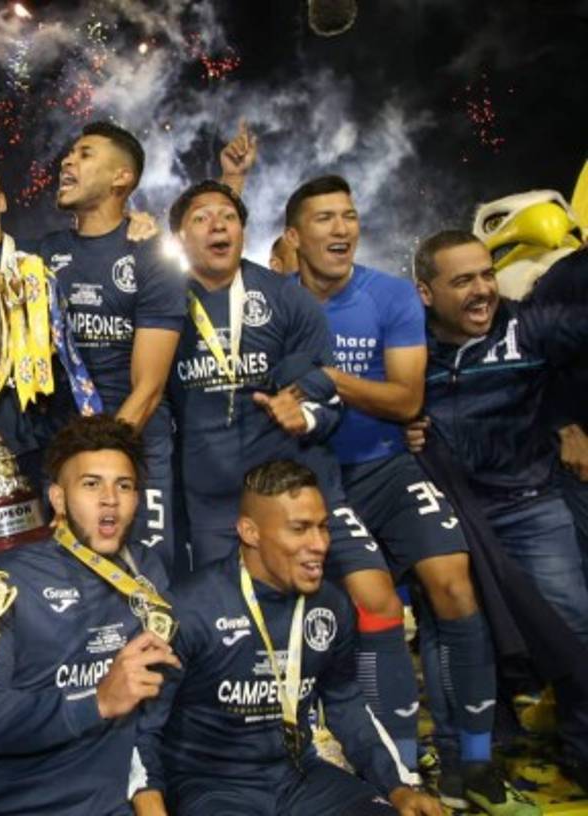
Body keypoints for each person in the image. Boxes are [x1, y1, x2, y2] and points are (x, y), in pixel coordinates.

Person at [285, 175, 528, 811]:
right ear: (293, 236)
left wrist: (329, 379)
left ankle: (472, 759)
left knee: (454, 582)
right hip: (317, 482)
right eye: (324, 219)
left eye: (349, 216)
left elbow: (406, 399)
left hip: (389, 469)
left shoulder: (389, 296)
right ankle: (398, 772)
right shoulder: (276, 302)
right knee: (378, 609)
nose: (341, 229)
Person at [167, 178, 422, 758]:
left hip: (299, 490)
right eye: (202, 217)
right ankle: (231, 755)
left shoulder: (286, 301)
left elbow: (328, 397)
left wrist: (303, 416)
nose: (218, 225)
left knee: (377, 597)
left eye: (228, 216)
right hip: (210, 503)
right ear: (180, 235)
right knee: (228, 628)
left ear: (244, 230)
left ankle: (400, 762)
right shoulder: (165, 302)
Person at [134, 460, 441, 816]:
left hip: (299, 777)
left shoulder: (331, 605)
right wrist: (150, 799)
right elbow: (143, 729)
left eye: (324, 528)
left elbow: (346, 704)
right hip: (211, 786)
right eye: (300, 529)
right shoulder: (190, 610)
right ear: (250, 532)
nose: (320, 544)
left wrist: (397, 786)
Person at [411, 229, 588, 788]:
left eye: (486, 274)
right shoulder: (406, 347)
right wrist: (402, 425)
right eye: (463, 280)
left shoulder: (530, 328)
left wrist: (565, 418)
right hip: (454, 515)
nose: (483, 290)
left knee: (574, 627)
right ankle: (466, 760)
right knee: (457, 633)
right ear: (425, 293)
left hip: (531, 505)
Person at [0, 415, 179, 815]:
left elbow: (148, 720)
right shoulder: (6, 581)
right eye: (91, 484)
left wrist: (149, 798)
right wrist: (97, 701)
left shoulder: (147, 575)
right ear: (57, 499)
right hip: (13, 806)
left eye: (123, 486)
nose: (110, 498)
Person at [38, 122, 187, 576]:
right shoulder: (38, 256)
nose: (67, 160)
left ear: (122, 178)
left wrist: (96, 462)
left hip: (139, 447)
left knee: (146, 577)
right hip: (61, 444)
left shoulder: (151, 255)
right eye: (68, 153)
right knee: (70, 579)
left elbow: (149, 388)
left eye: (84, 154)